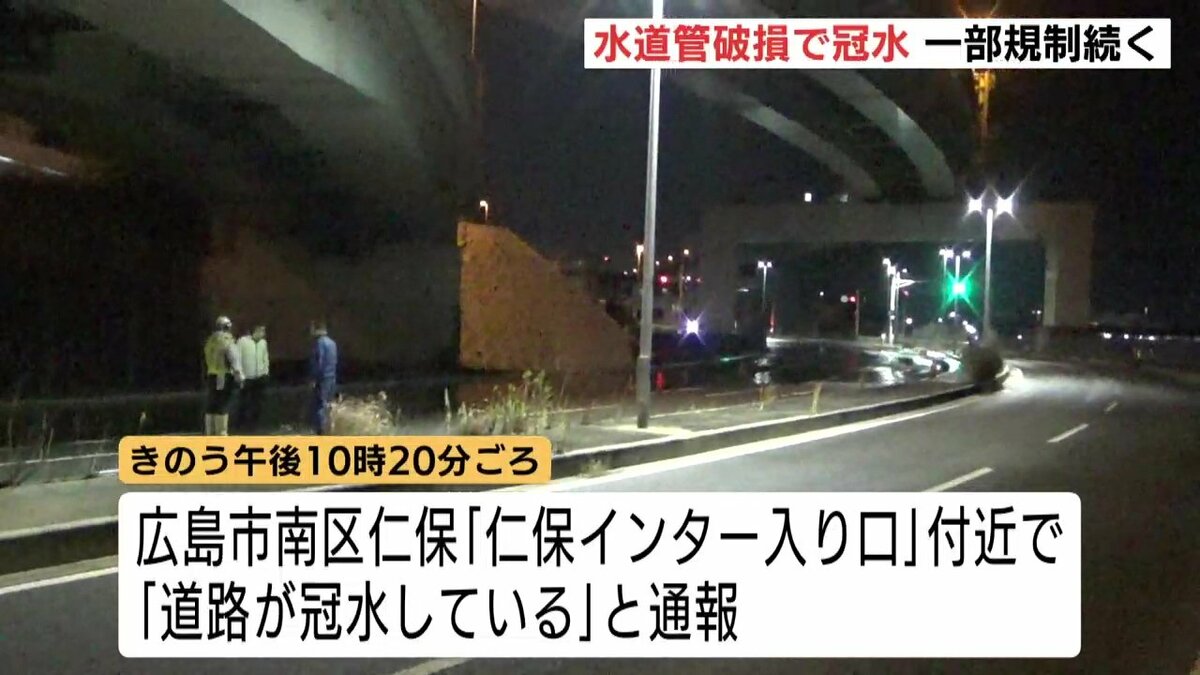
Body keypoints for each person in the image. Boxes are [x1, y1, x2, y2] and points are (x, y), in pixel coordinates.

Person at [203, 316, 243, 436]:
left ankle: (209, 432)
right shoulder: (226, 340)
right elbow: (234, 359)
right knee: (223, 403)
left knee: (212, 403)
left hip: (211, 375)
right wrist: (239, 376)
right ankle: (221, 432)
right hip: (222, 376)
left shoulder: (210, 341)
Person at [235, 324, 270, 431]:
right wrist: (239, 374)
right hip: (246, 378)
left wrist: (265, 372)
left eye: (264, 331)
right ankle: (241, 424)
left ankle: (254, 425)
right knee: (244, 402)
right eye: (261, 331)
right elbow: (237, 359)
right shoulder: (242, 342)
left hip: (259, 377)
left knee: (257, 402)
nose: (263, 334)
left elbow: (265, 358)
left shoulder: (263, 343)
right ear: (255, 331)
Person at [308, 319, 338, 435]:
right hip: (331, 377)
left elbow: (319, 362)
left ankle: (321, 431)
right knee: (329, 404)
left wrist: (314, 379)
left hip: (322, 378)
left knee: (319, 404)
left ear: (317, 330)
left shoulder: (319, 343)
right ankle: (330, 427)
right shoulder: (332, 343)